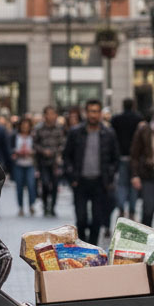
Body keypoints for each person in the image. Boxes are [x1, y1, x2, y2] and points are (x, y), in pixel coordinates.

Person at [63, 99, 119, 244]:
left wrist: (110, 175)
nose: (93, 115)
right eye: (91, 111)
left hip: (100, 182)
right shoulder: (75, 132)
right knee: (81, 218)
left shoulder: (108, 133)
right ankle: (82, 244)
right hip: (80, 181)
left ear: (100, 113)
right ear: (86, 113)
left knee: (97, 219)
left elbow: (115, 158)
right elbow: (66, 156)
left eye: (96, 111)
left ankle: (92, 247)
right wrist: (71, 176)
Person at [110, 98, 143, 219]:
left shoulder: (116, 119)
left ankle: (121, 208)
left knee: (122, 185)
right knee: (133, 185)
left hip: (121, 156)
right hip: (135, 157)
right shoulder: (138, 119)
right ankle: (132, 211)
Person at [34, 105, 66, 217]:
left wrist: (56, 151)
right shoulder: (38, 128)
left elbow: (63, 143)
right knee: (45, 184)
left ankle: (52, 207)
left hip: (55, 162)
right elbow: (34, 144)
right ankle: (45, 203)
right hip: (42, 161)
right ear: (45, 115)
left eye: (53, 113)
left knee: (55, 184)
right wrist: (43, 151)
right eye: (49, 114)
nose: (51, 116)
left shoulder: (59, 128)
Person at [11, 117, 38, 216]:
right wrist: (16, 152)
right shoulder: (15, 136)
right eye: (23, 126)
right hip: (18, 164)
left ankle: (31, 204)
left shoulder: (33, 136)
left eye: (27, 126)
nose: (25, 128)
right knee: (19, 186)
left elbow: (37, 148)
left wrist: (31, 152)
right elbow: (10, 148)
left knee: (31, 185)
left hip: (30, 164)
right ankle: (21, 207)